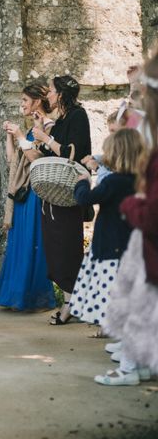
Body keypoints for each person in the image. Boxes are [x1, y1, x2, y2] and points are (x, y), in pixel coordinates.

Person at [97, 53, 158, 386]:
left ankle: (132, 368)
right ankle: (142, 361)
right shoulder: (147, 129)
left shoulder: (148, 133)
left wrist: (131, 207)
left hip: (147, 230)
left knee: (140, 300)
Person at [30, 76, 92, 324]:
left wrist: (47, 139)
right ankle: (71, 300)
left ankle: (72, 305)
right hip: (54, 194)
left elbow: (72, 153)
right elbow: (46, 153)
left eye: (53, 92)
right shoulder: (62, 119)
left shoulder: (78, 116)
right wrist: (42, 133)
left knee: (68, 249)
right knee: (55, 249)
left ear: (63, 94)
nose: (49, 96)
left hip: (69, 192)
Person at [69, 129, 142, 335]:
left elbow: (85, 199)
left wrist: (83, 182)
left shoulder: (113, 182)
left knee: (110, 294)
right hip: (131, 246)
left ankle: (125, 346)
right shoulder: (139, 181)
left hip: (111, 247)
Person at [0, 84, 57, 311]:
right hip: (22, 193)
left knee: (33, 242)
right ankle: (16, 296)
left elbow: (37, 158)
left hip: (34, 193)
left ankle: (35, 298)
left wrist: (22, 135)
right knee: (19, 243)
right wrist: (11, 137)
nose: (21, 104)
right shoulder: (31, 129)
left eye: (24, 100)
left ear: (37, 102)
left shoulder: (48, 126)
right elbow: (13, 161)